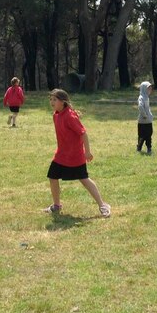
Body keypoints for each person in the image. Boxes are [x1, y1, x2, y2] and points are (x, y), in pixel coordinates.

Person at [45, 89, 111, 217]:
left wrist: (87, 152)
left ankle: (103, 205)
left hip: (75, 156)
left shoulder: (70, 116)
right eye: (51, 99)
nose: (52, 102)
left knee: (84, 179)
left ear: (63, 102)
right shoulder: (56, 115)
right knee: (52, 177)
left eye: (55, 99)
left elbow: (83, 133)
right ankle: (56, 206)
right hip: (61, 155)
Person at [137, 81, 154, 154]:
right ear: (144, 89)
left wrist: (150, 115)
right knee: (142, 135)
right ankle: (139, 147)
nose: (150, 90)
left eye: (150, 88)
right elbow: (140, 107)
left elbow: (148, 108)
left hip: (148, 121)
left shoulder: (147, 97)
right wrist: (144, 115)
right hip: (143, 121)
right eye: (148, 88)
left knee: (149, 135)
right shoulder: (141, 97)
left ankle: (149, 148)